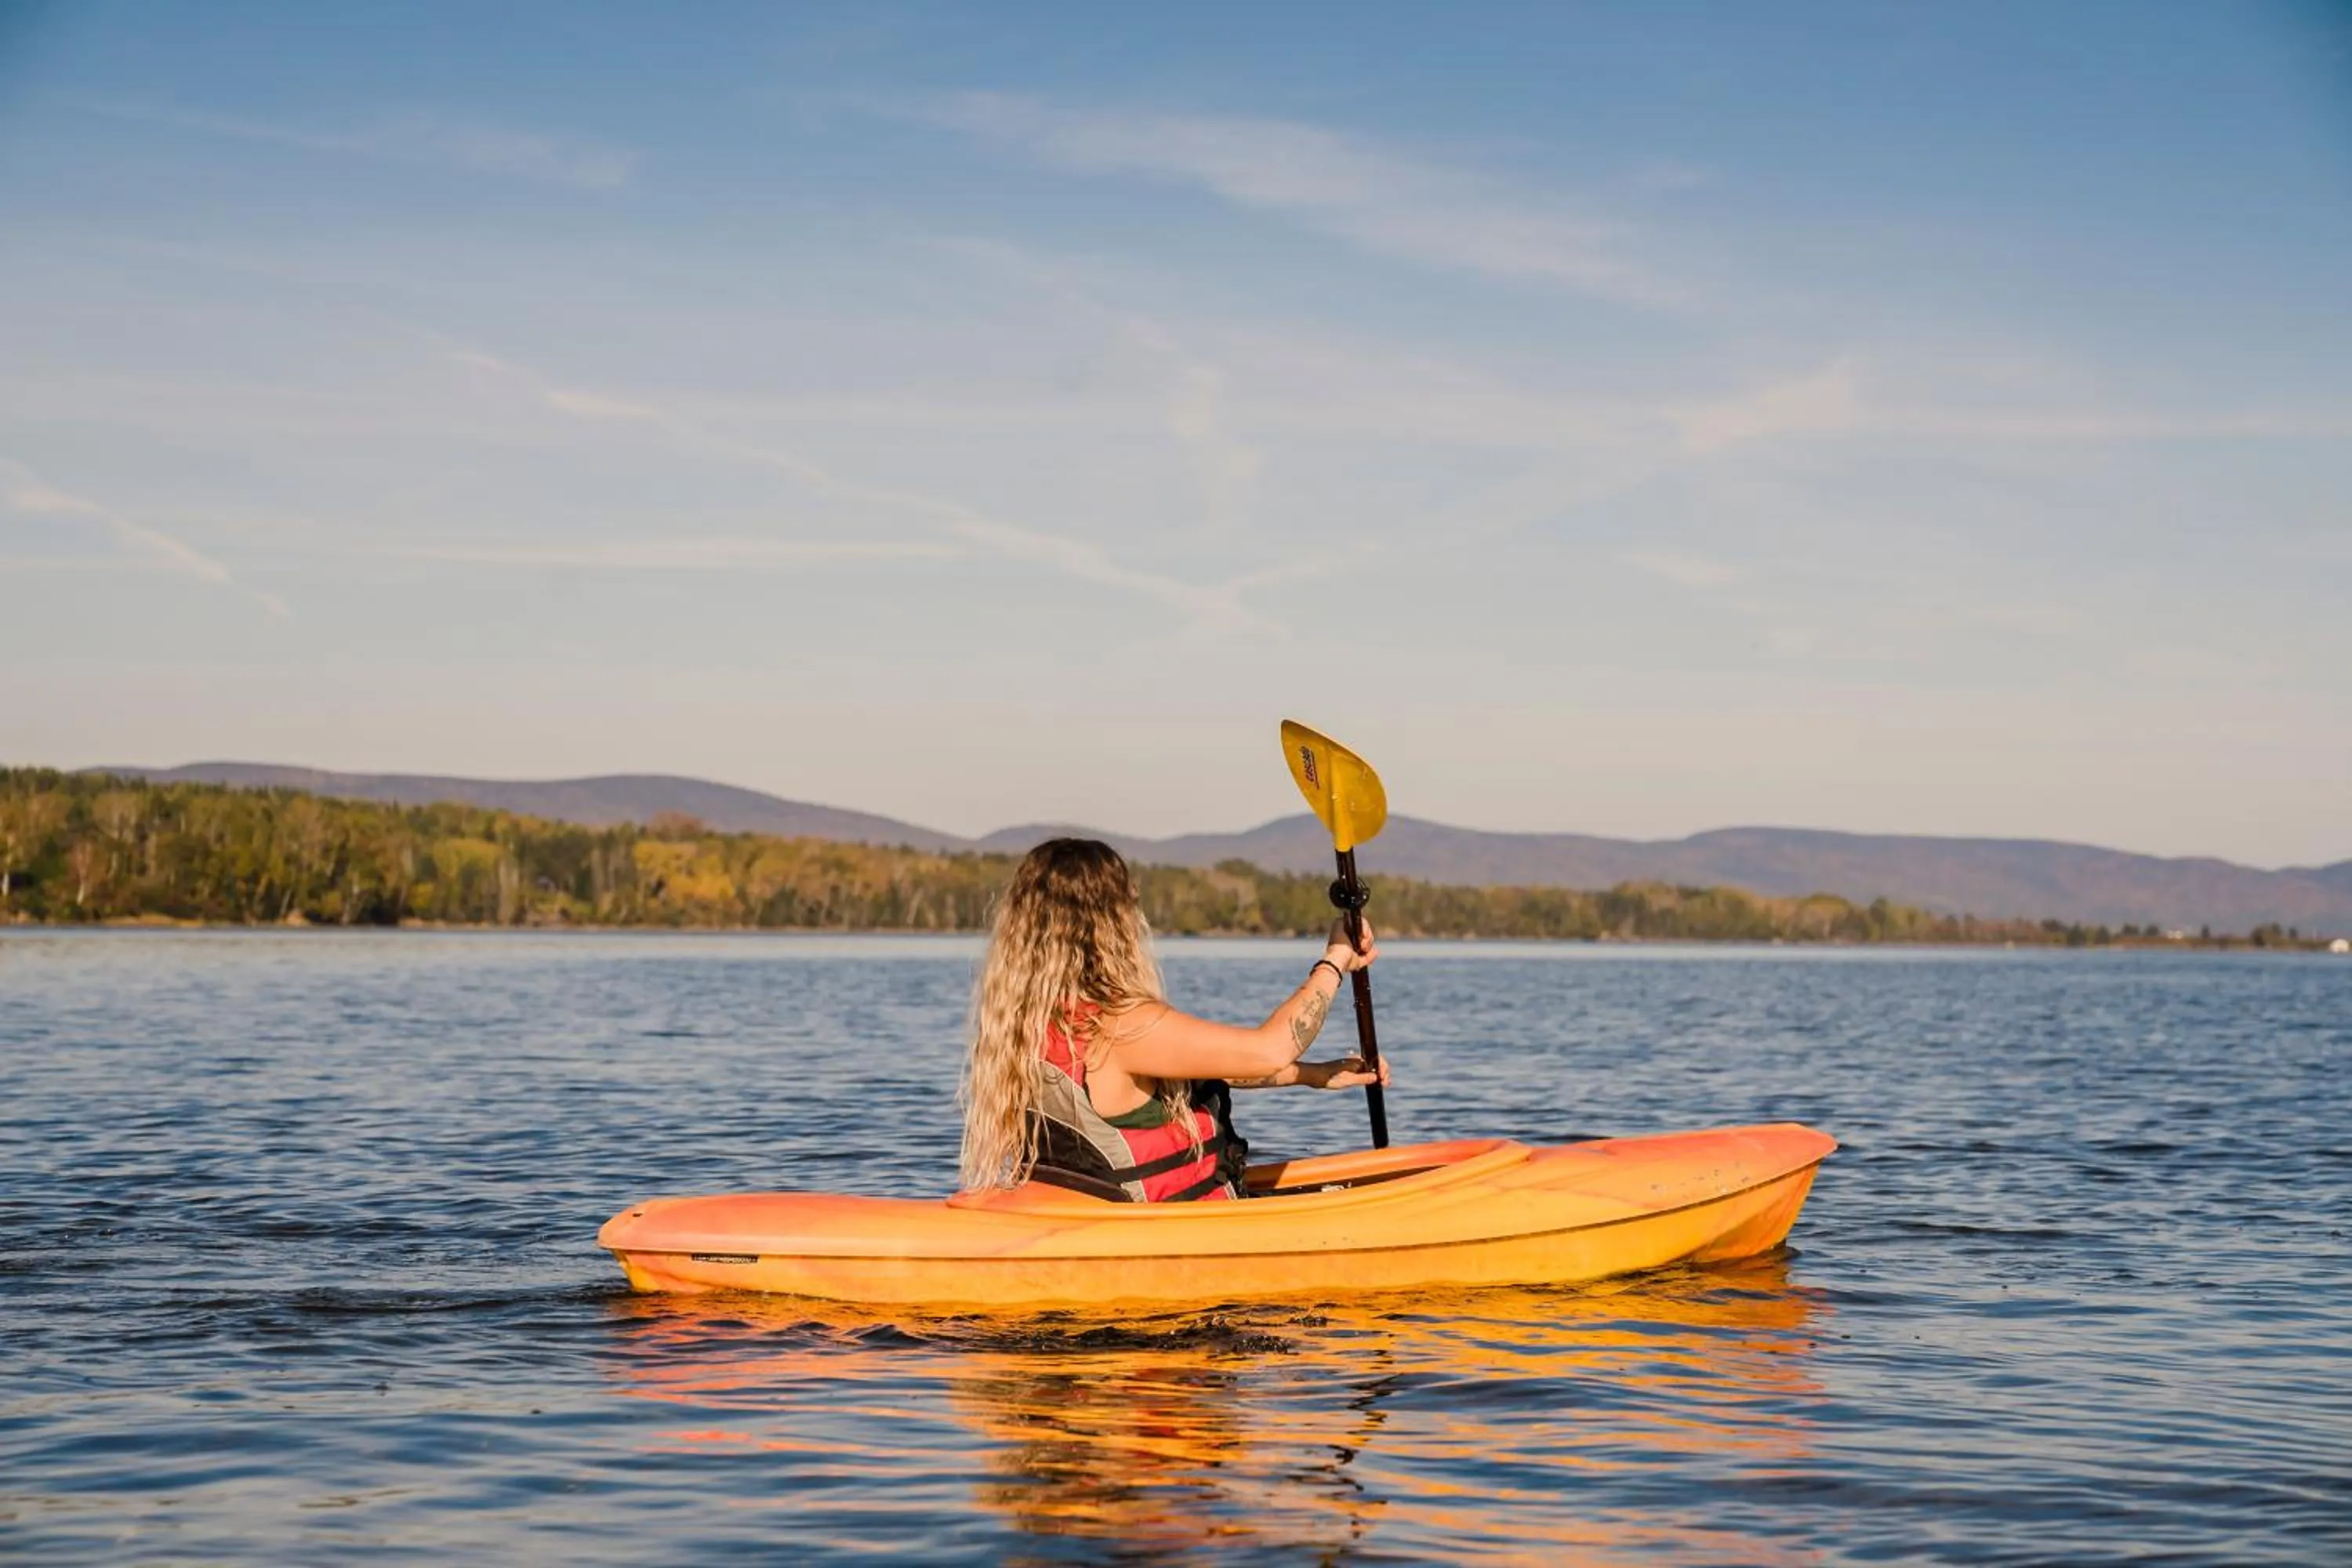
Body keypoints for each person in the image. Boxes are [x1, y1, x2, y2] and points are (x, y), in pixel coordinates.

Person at [960, 837, 1389, 1201]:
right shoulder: (1121, 1023)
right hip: (1177, 1243)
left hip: (1093, 1224)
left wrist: (1312, 1075)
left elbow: (1184, 1070)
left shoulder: (1030, 1024)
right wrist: (1335, 958)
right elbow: (1270, 1049)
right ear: (1113, 923)